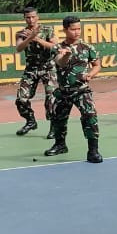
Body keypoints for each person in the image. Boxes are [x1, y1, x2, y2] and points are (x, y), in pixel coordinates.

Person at [44, 16, 103, 163]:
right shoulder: (58, 48)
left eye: (78, 29)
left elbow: (97, 65)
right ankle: (60, 145)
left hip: (82, 90)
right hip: (63, 91)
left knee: (90, 115)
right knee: (58, 119)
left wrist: (90, 74)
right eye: (73, 29)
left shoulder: (88, 48)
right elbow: (60, 62)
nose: (77, 32)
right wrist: (67, 55)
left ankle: (93, 151)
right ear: (65, 30)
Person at [13, 5, 59, 136]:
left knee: (52, 98)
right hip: (31, 69)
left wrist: (37, 38)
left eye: (33, 17)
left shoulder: (47, 30)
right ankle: (30, 121)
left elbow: (55, 46)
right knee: (21, 99)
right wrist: (29, 37)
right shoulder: (21, 33)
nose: (31, 20)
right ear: (24, 18)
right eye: (28, 17)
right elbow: (19, 48)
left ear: (37, 17)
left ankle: (54, 126)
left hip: (48, 68)